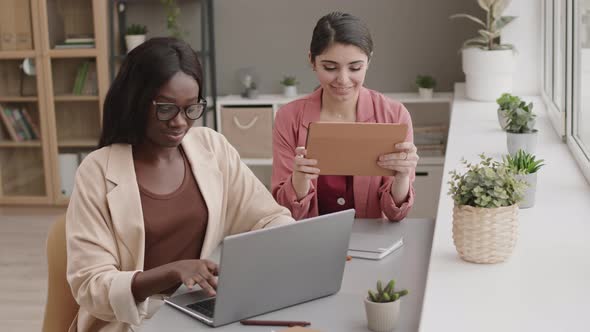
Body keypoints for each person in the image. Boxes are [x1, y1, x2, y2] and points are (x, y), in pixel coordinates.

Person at [66, 37, 294, 332]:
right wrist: (172, 271)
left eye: (191, 109)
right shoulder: (97, 171)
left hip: (197, 309)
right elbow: (90, 284)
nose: (180, 122)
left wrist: (291, 244)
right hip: (130, 321)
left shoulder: (211, 147)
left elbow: (267, 217)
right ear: (136, 100)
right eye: (166, 108)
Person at [272, 12, 419, 221]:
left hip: (371, 243)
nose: (343, 79)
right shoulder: (289, 118)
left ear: (369, 61)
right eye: (330, 67)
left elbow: (395, 213)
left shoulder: (394, 115)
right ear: (312, 61)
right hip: (309, 240)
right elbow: (286, 212)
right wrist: (299, 181)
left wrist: (403, 177)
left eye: (355, 67)